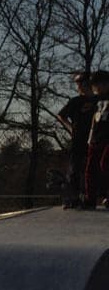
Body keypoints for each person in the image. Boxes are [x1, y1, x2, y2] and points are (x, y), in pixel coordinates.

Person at [56, 72, 98, 208]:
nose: (80, 88)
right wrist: (70, 128)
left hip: (96, 138)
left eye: (81, 84)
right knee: (75, 168)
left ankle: (94, 195)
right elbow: (61, 116)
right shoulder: (75, 101)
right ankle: (73, 196)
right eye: (79, 85)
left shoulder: (99, 100)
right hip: (79, 139)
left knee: (95, 167)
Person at [83, 70, 109, 210]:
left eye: (97, 86)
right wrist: (91, 135)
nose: (95, 90)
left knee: (105, 163)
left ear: (105, 84)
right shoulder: (96, 99)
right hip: (97, 136)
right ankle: (90, 199)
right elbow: (94, 117)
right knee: (90, 168)